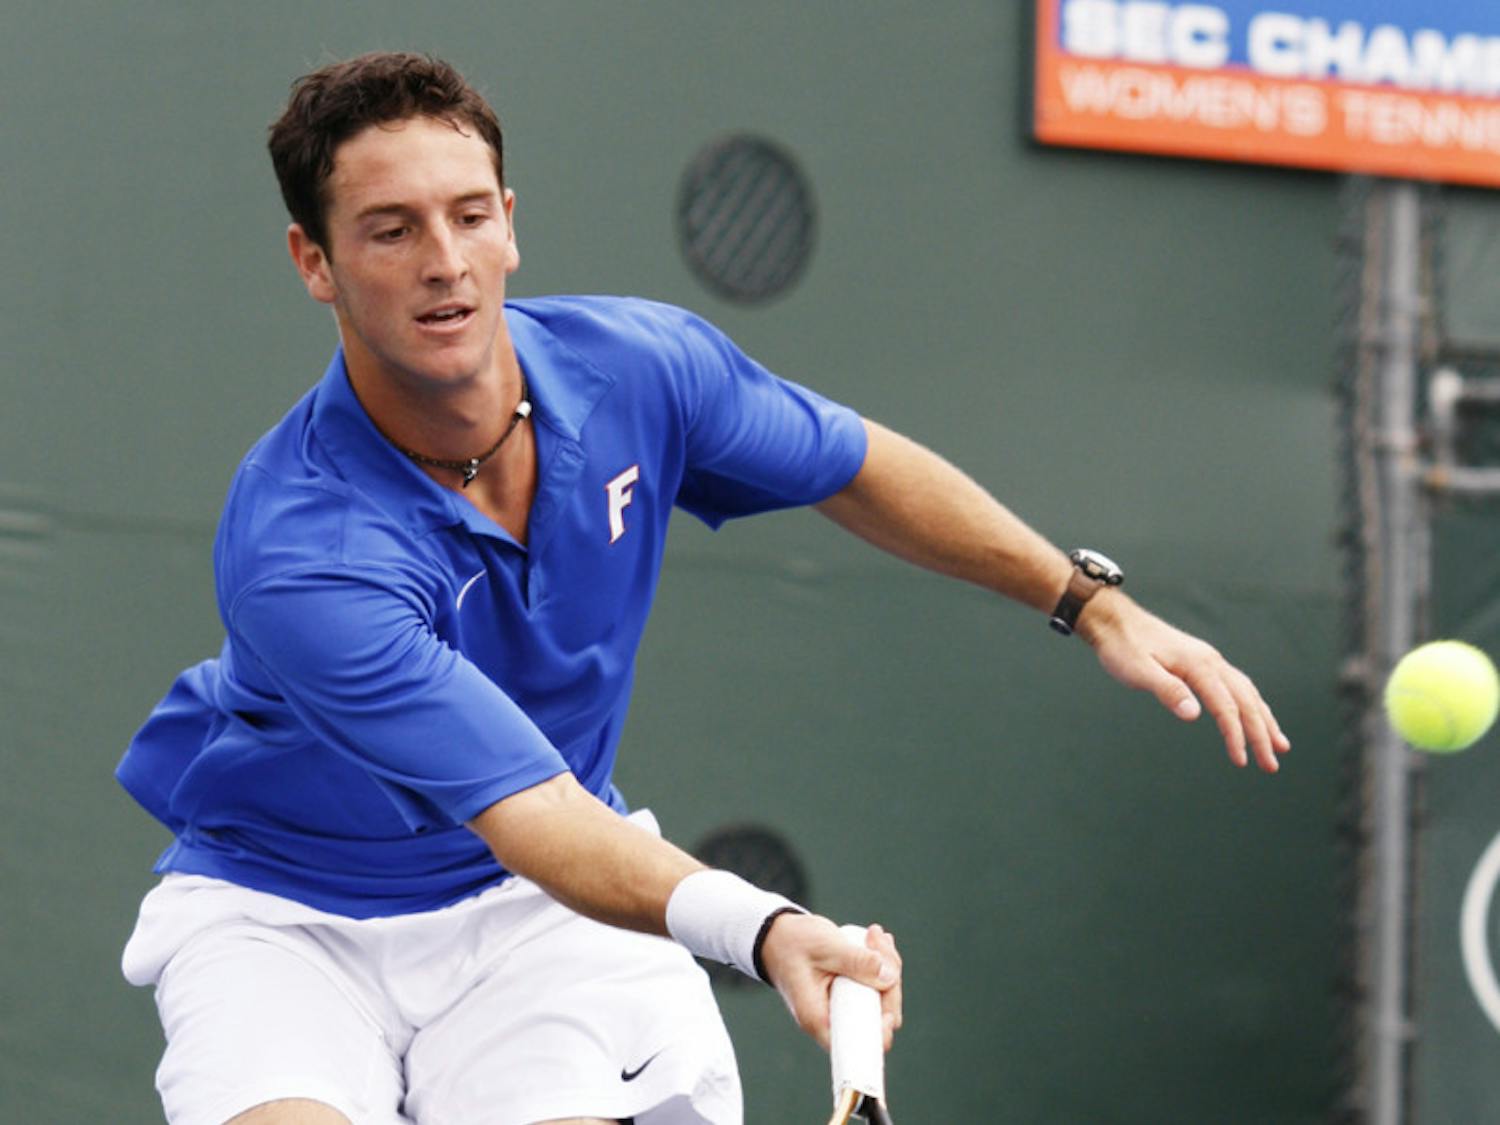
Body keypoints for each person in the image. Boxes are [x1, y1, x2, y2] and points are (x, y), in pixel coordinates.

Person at [117, 51, 1288, 1125]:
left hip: (540, 924)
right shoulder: (303, 545)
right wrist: (764, 929)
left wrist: (1089, 602)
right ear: (314, 263)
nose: (444, 261)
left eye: (469, 215)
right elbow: (534, 815)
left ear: (510, 222)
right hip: (290, 919)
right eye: (390, 230)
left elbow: (854, 466)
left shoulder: (642, 370)